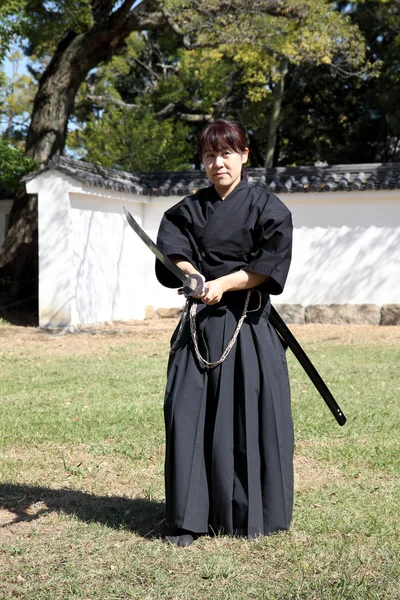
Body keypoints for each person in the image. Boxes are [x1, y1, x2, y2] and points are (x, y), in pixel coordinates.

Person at [155, 119, 294, 547]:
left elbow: (269, 262)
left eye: (227, 153)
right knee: (187, 413)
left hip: (247, 325)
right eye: (210, 155)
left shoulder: (268, 207)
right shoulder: (189, 208)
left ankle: (247, 513)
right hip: (198, 327)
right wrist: (194, 275)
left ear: (244, 156)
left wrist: (225, 283)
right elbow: (172, 250)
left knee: (245, 416)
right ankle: (188, 518)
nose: (218, 163)